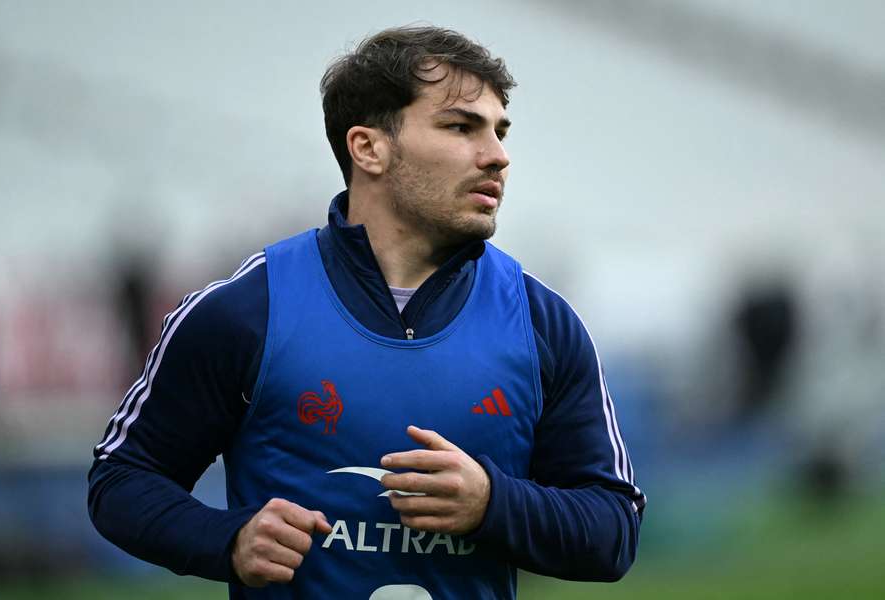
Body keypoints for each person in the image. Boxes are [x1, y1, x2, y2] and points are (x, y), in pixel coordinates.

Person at [88, 25, 646, 599]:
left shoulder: (540, 324)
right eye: (461, 127)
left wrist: (491, 503)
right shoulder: (247, 311)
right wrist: (227, 539)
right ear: (369, 148)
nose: (497, 157)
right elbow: (122, 479)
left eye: (500, 132)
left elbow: (612, 529)